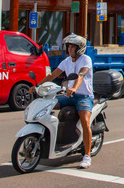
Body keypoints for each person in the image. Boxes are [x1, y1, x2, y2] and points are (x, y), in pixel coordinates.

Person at [31, 33, 95, 169]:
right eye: (69, 46)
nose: (69, 49)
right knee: (46, 105)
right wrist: (37, 86)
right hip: (69, 95)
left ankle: (87, 155)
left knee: (85, 121)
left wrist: (74, 88)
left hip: (84, 96)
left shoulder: (85, 59)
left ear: (79, 48)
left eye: (72, 46)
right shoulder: (66, 61)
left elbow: (81, 75)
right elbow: (52, 75)